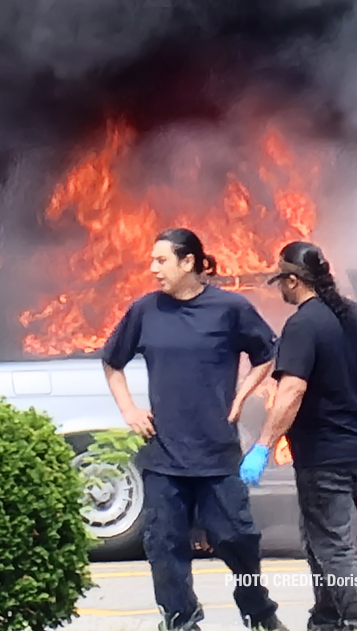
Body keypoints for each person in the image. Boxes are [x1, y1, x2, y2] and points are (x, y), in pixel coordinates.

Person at [101, 228, 288, 631]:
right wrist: (129, 409)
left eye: (161, 260)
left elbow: (266, 355)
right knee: (164, 545)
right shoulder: (144, 310)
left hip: (217, 452)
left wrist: (242, 395)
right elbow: (112, 362)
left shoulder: (230, 308)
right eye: (152, 261)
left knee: (238, 538)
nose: (153, 269)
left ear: (189, 263)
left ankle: (258, 611)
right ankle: (181, 618)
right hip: (163, 454)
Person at [240, 241, 357, 631]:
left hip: (324, 459)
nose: (280, 290)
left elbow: (292, 392)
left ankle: (356, 623)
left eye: (281, 282)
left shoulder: (304, 324)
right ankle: (326, 620)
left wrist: (261, 446)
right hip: (356, 454)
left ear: (294, 280)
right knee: (317, 541)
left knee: (334, 549)